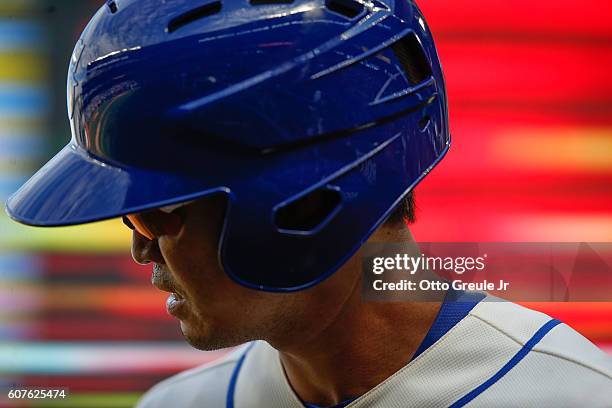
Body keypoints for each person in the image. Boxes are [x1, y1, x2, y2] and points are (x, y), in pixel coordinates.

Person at [6, 0, 612, 407]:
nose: (140, 249)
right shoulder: (178, 404)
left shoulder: (567, 393)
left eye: (157, 211)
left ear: (303, 206)